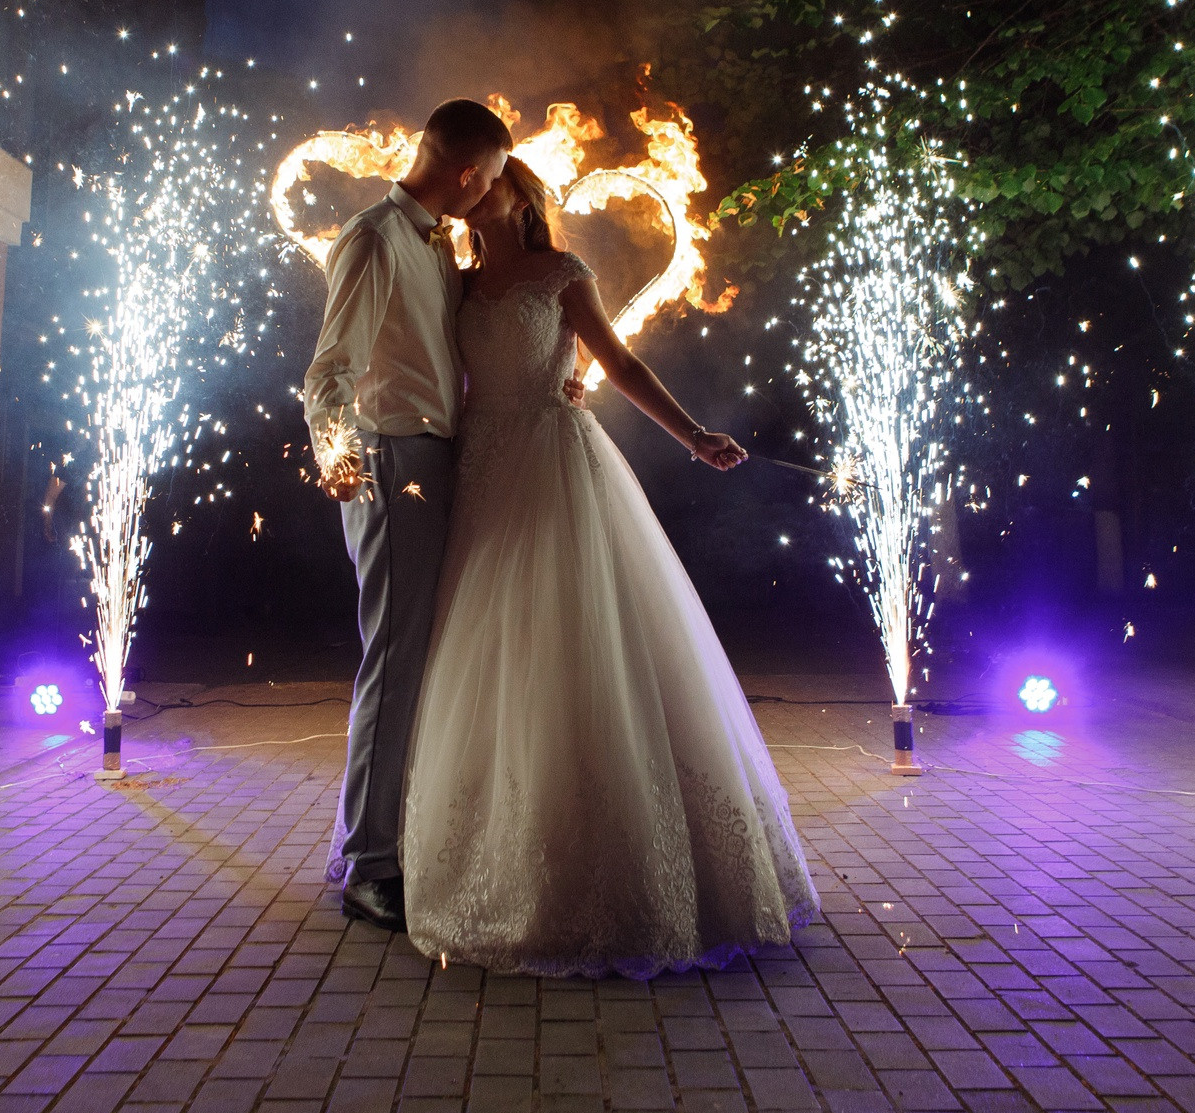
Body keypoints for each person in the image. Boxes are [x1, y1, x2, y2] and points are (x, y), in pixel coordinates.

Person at [401, 156, 819, 976]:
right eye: (476, 183)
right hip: (485, 467)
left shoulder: (560, 272)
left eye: (498, 182)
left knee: (581, 632)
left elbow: (620, 364)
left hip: (557, 461)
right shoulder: (453, 279)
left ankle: (630, 871)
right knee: (496, 651)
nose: (481, 192)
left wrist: (694, 435)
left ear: (524, 197)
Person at [303, 98, 513, 932]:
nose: (491, 192)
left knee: (417, 656)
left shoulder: (434, 243)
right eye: (491, 178)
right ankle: (368, 862)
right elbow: (328, 372)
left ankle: (392, 840)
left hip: (432, 457)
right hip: (392, 462)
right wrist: (339, 456)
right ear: (468, 172)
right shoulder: (375, 239)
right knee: (393, 660)